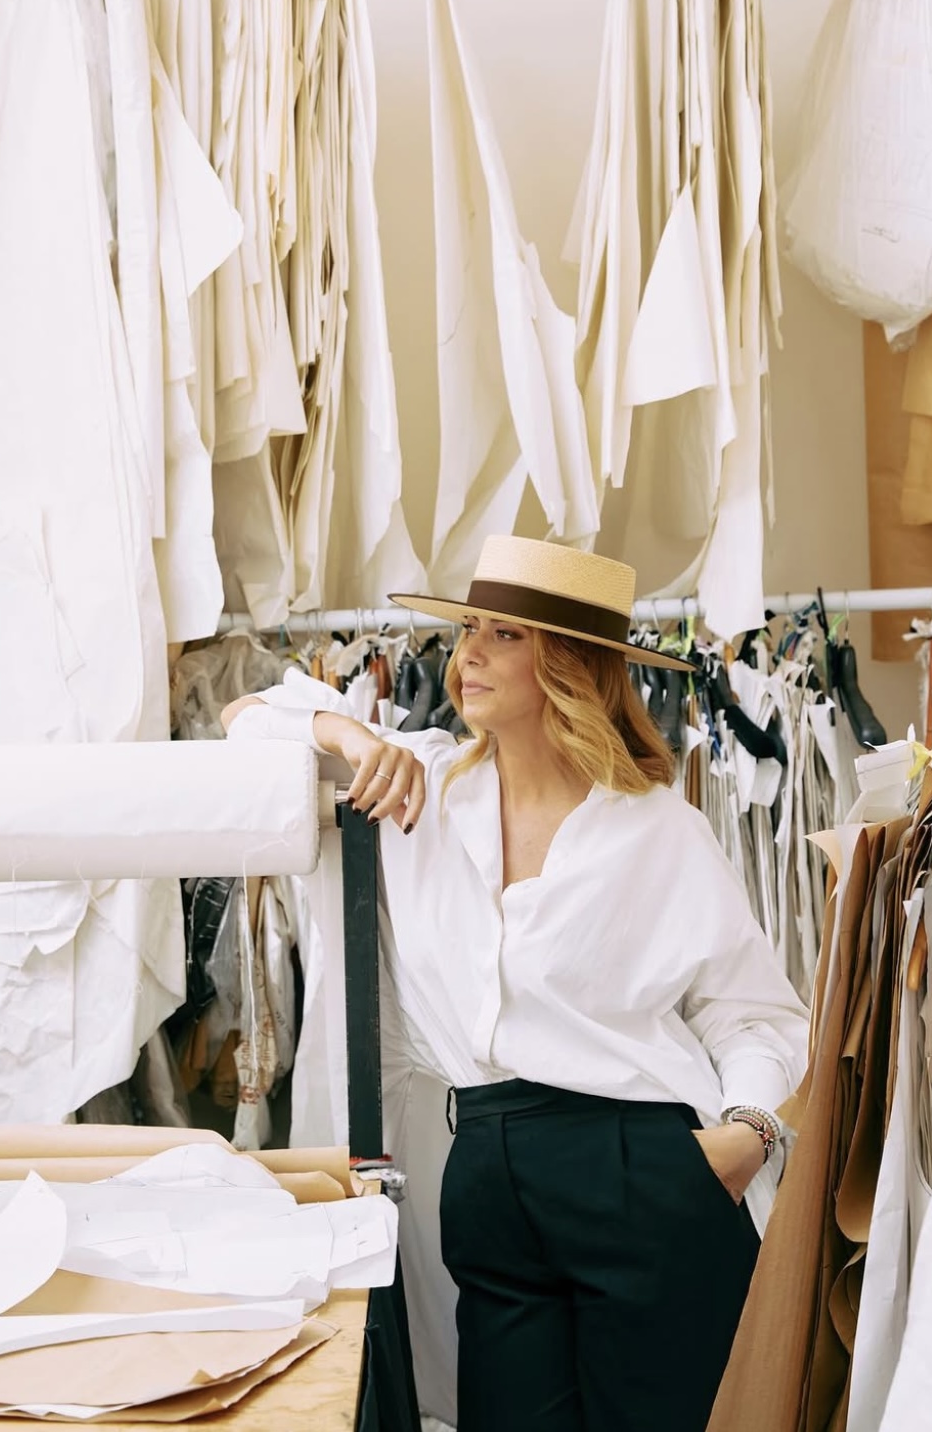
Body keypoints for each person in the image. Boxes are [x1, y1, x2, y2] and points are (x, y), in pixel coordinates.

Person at [222, 535, 808, 1432]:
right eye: (469, 632)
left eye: (505, 636)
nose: (469, 656)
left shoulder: (656, 829)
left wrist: (746, 1136)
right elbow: (246, 718)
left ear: (568, 664)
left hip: (638, 1161)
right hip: (488, 1166)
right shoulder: (417, 788)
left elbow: (751, 1014)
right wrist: (345, 733)